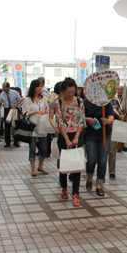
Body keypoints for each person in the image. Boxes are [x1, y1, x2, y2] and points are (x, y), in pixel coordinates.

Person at [55, 77, 85, 207]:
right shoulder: (58, 103)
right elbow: (60, 122)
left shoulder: (80, 101)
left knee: (76, 164)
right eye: (68, 92)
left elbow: (81, 120)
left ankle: (75, 194)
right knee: (64, 162)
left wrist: (76, 137)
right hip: (63, 136)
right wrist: (67, 139)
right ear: (63, 91)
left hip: (77, 135)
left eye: (73, 92)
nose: (71, 94)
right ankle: (64, 187)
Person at [84, 98, 114, 197]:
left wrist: (107, 121)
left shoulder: (106, 102)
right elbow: (79, 116)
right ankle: (89, 177)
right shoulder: (86, 102)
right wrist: (87, 119)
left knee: (102, 160)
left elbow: (111, 117)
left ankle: (99, 184)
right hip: (90, 135)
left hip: (104, 135)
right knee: (91, 159)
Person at [21, 79, 50, 177]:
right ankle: (33, 168)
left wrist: (46, 111)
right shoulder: (27, 99)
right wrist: (36, 112)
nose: (40, 88)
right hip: (32, 128)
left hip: (42, 127)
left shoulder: (44, 99)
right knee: (32, 148)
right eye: (38, 86)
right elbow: (25, 114)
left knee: (44, 149)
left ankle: (40, 166)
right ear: (33, 88)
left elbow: (47, 109)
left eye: (41, 86)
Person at [108, 85, 124, 179]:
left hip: (114, 126)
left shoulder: (115, 100)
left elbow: (119, 112)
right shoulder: (101, 100)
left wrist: (121, 116)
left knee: (112, 150)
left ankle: (112, 171)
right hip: (102, 127)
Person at [0, 82, 22, 148]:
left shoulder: (14, 92)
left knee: (16, 126)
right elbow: (0, 101)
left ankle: (16, 141)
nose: (3, 89)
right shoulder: (2, 94)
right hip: (7, 110)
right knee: (7, 126)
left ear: (8, 87)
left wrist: (17, 104)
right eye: (3, 88)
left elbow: (20, 100)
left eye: (4, 88)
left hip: (14, 109)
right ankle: (7, 142)